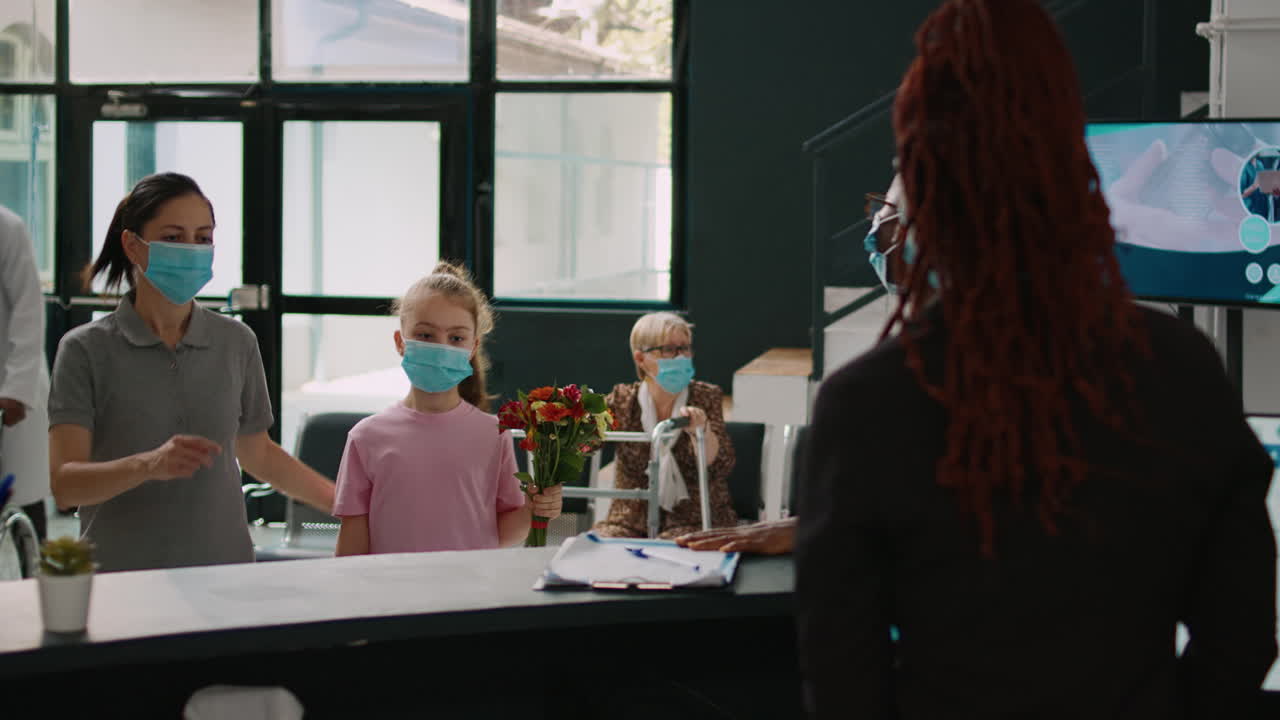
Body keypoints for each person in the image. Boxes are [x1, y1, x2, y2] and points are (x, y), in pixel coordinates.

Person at [796, 2, 1277, 719]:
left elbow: (843, 684)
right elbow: (1240, 639)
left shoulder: (866, 405)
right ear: (1076, 172)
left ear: (922, 189)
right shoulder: (1180, 369)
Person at [48, 172, 335, 572]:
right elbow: (66, 484)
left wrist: (343, 502)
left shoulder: (236, 342)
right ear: (133, 245)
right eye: (173, 237)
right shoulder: (84, 350)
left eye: (203, 238)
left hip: (223, 571)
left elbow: (258, 453)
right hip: (122, 577)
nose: (192, 249)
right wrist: (147, 465)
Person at [333, 263, 562, 555]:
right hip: (393, 596)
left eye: (456, 338)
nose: (441, 347)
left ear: (472, 347)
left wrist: (536, 510)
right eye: (426, 335)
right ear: (400, 342)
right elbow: (351, 547)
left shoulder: (494, 434)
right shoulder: (366, 438)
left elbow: (498, 532)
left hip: (469, 596)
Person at [592, 312, 737, 539]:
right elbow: (587, 441)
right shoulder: (622, 400)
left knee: (673, 548)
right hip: (629, 520)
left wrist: (702, 431)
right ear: (641, 359)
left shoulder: (705, 396)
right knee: (601, 549)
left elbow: (721, 465)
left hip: (695, 520)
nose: (680, 357)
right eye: (669, 349)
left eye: (685, 348)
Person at [0, 204, 50, 543]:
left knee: (23, 502)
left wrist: (17, 389)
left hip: (11, 384)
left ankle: (37, 587)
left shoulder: (7, 227)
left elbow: (29, 310)